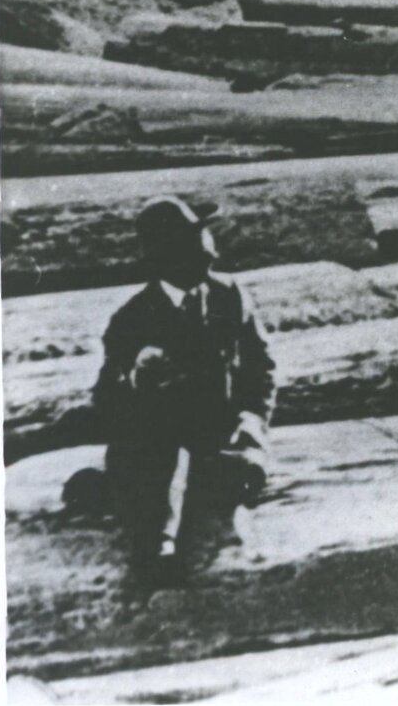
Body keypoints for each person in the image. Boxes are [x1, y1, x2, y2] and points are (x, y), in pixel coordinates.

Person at [74, 196, 278, 577]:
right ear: (164, 259)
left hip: (223, 438)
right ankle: (158, 545)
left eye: (206, 242)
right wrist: (136, 377)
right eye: (195, 247)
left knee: (245, 475)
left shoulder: (229, 296)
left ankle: (113, 489)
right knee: (167, 472)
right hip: (159, 445)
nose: (210, 256)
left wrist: (252, 422)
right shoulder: (131, 320)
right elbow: (107, 398)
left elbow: (261, 369)